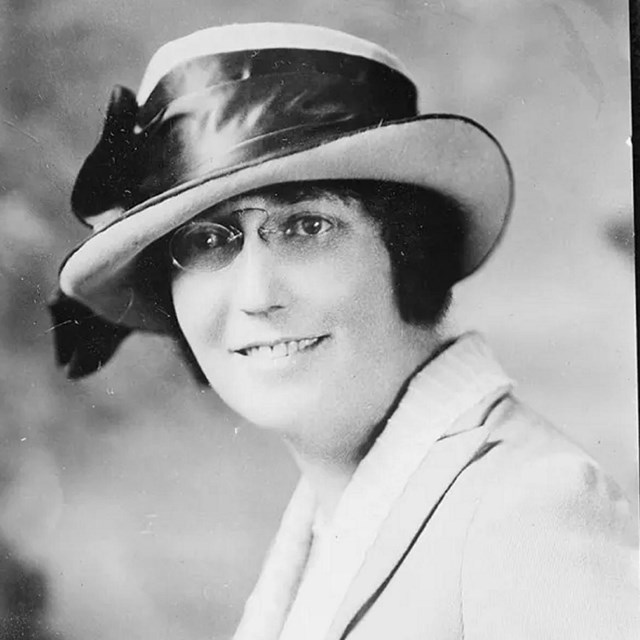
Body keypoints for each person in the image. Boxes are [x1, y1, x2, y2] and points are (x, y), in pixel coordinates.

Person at [49, 23, 638, 640]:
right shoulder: (330, 512)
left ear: (407, 251)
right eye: (205, 240)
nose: (256, 296)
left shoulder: (531, 509)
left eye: (307, 226)